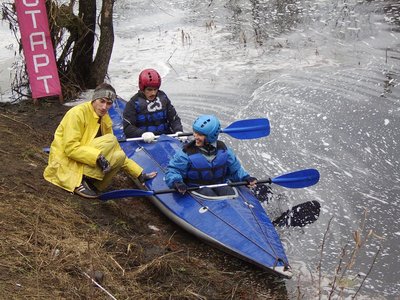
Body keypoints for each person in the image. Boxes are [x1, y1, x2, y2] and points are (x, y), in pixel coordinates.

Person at [43, 83, 157, 199]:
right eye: (101, 101)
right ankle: (78, 182)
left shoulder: (105, 118)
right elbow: (70, 148)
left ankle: (94, 185)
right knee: (111, 139)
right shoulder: (77, 113)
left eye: (109, 103)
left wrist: (138, 173)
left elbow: (116, 148)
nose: (104, 107)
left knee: (119, 156)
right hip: (65, 163)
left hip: (82, 158)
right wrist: (97, 156)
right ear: (94, 99)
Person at [165, 115, 257, 197]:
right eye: (195, 132)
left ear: (211, 136)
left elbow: (235, 170)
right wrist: (177, 182)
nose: (195, 136)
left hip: (220, 184)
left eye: (200, 134)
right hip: (196, 187)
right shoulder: (186, 153)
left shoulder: (225, 151)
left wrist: (245, 177)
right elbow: (173, 170)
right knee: (207, 192)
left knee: (227, 190)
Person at [122, 68, 183, 142]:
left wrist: (178, 131)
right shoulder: (133, 103)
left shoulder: (163, 97)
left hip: (166, 137)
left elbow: (174, 118)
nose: (153, 93)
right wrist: (142, 134)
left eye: (155, 89)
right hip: (145, 140)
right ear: (143, 89)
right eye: (149, 90)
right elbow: (127, 127)